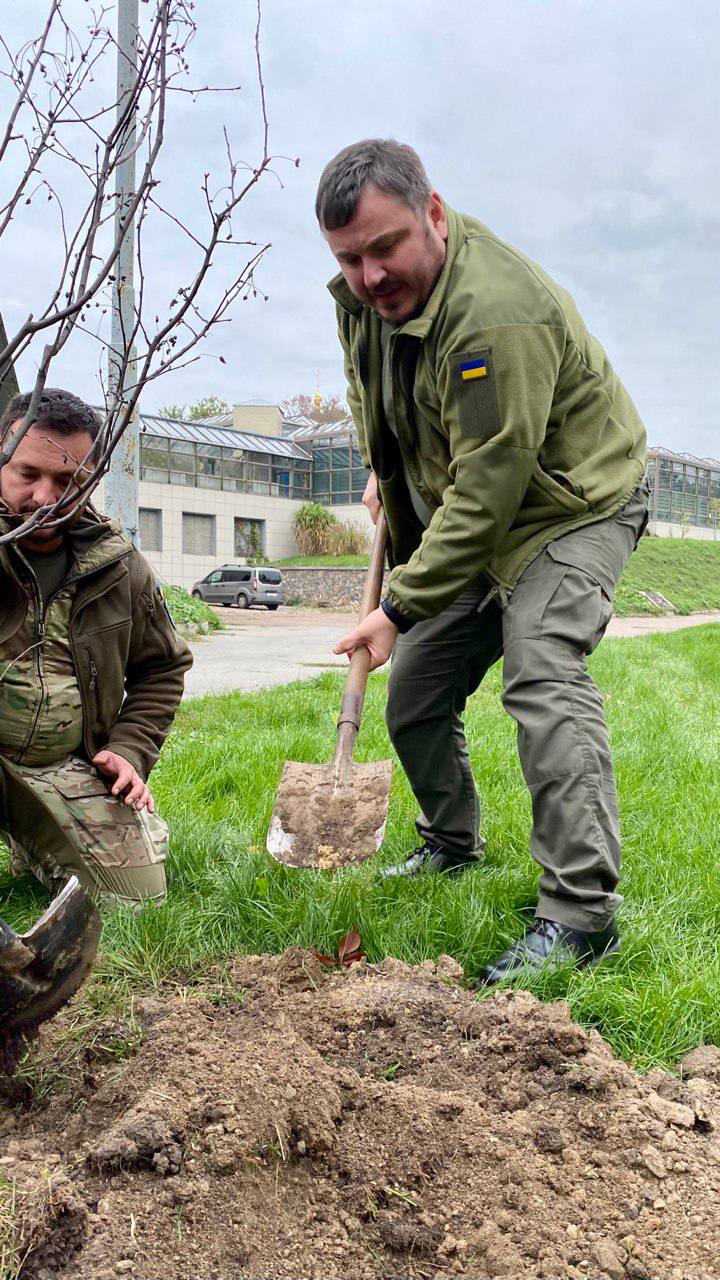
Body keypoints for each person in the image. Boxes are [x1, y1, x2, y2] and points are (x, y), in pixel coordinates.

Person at [317, 139, 648, 984]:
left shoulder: (496, 314)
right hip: (480, 510)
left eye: (385, 246)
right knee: (417, 692)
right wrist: (385, 469)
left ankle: (580, 918)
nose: (371, 274)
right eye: (351, 258)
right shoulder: (368, 301)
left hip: (569, 508)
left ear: (433, 213)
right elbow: (378, 398)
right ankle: (451, 842)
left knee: (540, 668)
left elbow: (492, 485)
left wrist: (396, 607)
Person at [0, 388, 192, 909]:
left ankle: (33, 828)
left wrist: (129, 750)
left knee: (137, 898)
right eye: (27, 475)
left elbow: (162, 669)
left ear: (94, 479)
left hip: (63, 766)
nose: (45, 499)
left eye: (68, 481)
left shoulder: (120, 567)